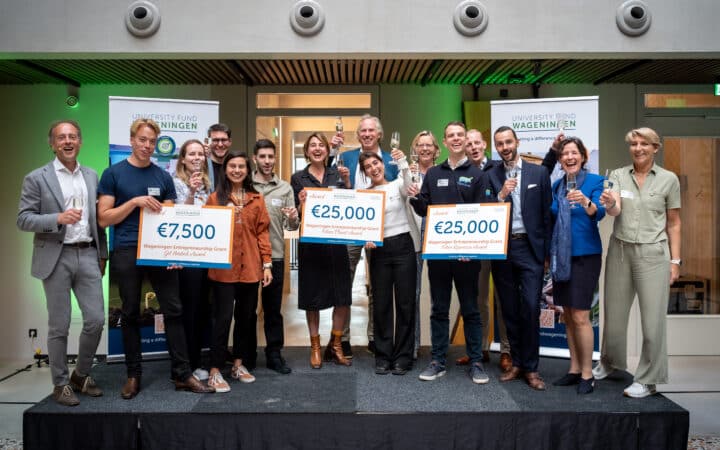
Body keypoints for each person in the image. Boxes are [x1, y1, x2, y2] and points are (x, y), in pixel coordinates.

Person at [98, 118, 214, 398]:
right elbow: (104, 218)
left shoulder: (162, 177)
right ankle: (133, 375)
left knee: (174, 309)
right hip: (127, 249)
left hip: (158, 250)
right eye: (142, 140)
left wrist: (172, 250)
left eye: (152, 141)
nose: (147, 145)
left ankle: (182, 374)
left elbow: (171, 218)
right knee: (129, 312)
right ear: (132, 140)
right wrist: (134, 202)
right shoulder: (113, 174)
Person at [17, 120, 107, 406]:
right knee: (59, 325)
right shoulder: (36, 178)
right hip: (55, 257)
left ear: (80, 141)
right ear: (52, 144)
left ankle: (80, 375)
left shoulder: (91, 175)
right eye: (61, 137)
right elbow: (23, 219)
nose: (67, 141)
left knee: (96, 320)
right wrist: (57, 218)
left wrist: (102, 254)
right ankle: (60, 384)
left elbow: (97, 221)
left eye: (72, 136)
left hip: (88, 253)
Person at [593, 127, 681, 398]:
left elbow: (674, 223)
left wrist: (675, 261)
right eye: (634, 144)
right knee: (614, 316)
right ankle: (610, 362)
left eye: (644, 144)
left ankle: (648, 380)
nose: (638, 148)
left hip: (654, 254)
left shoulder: (668, 179)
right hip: (620, 251)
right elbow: (615, 209)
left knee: (653, 322)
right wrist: (609, 203)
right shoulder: (619, 175)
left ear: (655, 148)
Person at [408, 121, 493, 385]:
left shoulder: (478, 174)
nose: (456, 139)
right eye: (451, 136)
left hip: (467, 256)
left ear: (466, 140)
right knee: (439, 309)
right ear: (444, 142)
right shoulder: (434, 173)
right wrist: (415, 197)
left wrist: (473, 249)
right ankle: (437, 361)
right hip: (439, 255)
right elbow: (424, 209)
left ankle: (476, 361)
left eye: (460, 135)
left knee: (471, 309)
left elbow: (484, 213)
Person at [488, 126, 552, 391]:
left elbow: (547, 215)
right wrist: (501, 195)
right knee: (509, 309)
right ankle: (516, 363)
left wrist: (546, 253)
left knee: (530, 308)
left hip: (530, 248)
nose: (505, 147)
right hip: (502, 249)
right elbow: (483, 209)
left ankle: (532, 368)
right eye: (500, 144)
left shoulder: (539, 173)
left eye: (508, 142)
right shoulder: (491, 175)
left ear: (517, 142)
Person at [331, 114, 400, 357]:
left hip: (382, 229)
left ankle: (374, 336)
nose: (368, 134)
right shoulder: (346, 157)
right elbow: (332, 183)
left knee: (379, 285)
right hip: (351, 228)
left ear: (379, 134)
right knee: (344, 283)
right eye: (363, 131)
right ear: (358, 135)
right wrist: (333, 152)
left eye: (372, 130)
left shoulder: (392, 160)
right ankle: (342, 338)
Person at [204, 150, 273, 392]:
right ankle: (214, 370)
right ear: (225, 170)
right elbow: (207, 231)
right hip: (223, 269)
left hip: (251, 268)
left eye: (241, 166)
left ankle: (238, 364)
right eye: (232, 166)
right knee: (222, 318)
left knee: (246, 318)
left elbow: (262, 233)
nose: (236, 170)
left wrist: (267, 264)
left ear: (247, 170)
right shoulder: (215, 198)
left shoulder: (256, 198)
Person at [549, 137, 606, 394]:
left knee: (581, 316)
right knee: (568, 315)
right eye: (564, 154)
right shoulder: (557, 185)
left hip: (585, 255)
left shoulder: (595, 181)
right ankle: (573, 369)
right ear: (560, 160)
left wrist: (585, 201)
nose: (569, 157)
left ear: (582, 156)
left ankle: (587, 373)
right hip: (561, 257)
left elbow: (599, 212)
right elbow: (551, 218)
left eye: (574, 153)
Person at [290, 132, 353, 368]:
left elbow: (350, 204)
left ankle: (335, 345)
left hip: (336, 244)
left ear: (328, 150)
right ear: (306, 151)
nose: (317, 149)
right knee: (312, 297)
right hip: (311, 246)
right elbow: (295, 214)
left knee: (342, 296)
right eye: (312, 146)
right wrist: (300, 204)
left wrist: (347, 183)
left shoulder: (338, 174)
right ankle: (315, 346)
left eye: (321, 145)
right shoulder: (298, 178)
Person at [456, 129, 513, 372]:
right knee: (479, 299)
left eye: (476, 142)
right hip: (474, 244)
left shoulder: (499, 168)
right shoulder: (462, 172)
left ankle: (507, 351)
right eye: (468, 144)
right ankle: (480, 349)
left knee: (503, 299)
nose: (473, 147)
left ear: (484, 144)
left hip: (499, 242)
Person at [360, 149, 419, 375]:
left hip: (403, 246)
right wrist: (365, 237)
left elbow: (410, 186)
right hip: (379, 251)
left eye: (376, 163)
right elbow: (362, 225)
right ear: (365, 172)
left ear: (383, 164)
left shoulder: (397, 185)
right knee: (382, 304)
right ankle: (383, 356)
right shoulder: (365, 195)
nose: (373, 168)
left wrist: (403, 162)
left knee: (405, 303)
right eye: (368, 167)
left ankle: (403, 357)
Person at [252, 139, 299, 375]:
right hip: (249, 258)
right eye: (263, 156)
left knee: (272, 310)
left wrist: (293, 218)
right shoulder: (244, 184)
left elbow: (292, 228)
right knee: (247, 310)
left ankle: (274, 354)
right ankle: (246, 354)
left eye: (271, 156)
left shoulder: (285, 188)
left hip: (276, 256)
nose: (267, 161)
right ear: (255, 159)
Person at [172, 139, 213, 381]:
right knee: (189, 309)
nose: (197, 158)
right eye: (192, 154)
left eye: (200, 154)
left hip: (206, 254)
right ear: (183, 159)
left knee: (202, 310)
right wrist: (191, 191)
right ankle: (185, 366)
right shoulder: (176, 183)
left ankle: (196, 360)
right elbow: (179, 216)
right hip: (186, 256)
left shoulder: (208, 184)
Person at [407, 130, 440, 360]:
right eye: (421, 145)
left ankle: (438, 349)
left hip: (439, 239)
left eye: (429, 145)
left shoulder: (443, 172)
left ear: (436, 149)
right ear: (415, 149)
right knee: (413, 293)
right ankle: (413, 345)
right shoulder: (407, 174)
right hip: (412, 238)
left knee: (439, 296)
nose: (425, 148)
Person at [207, 123, 233, 189]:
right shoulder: (203, 167)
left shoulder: (235, 167)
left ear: (230, 142)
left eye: (224, 140)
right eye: (215, 140)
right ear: (209, 142)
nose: (220, 144)